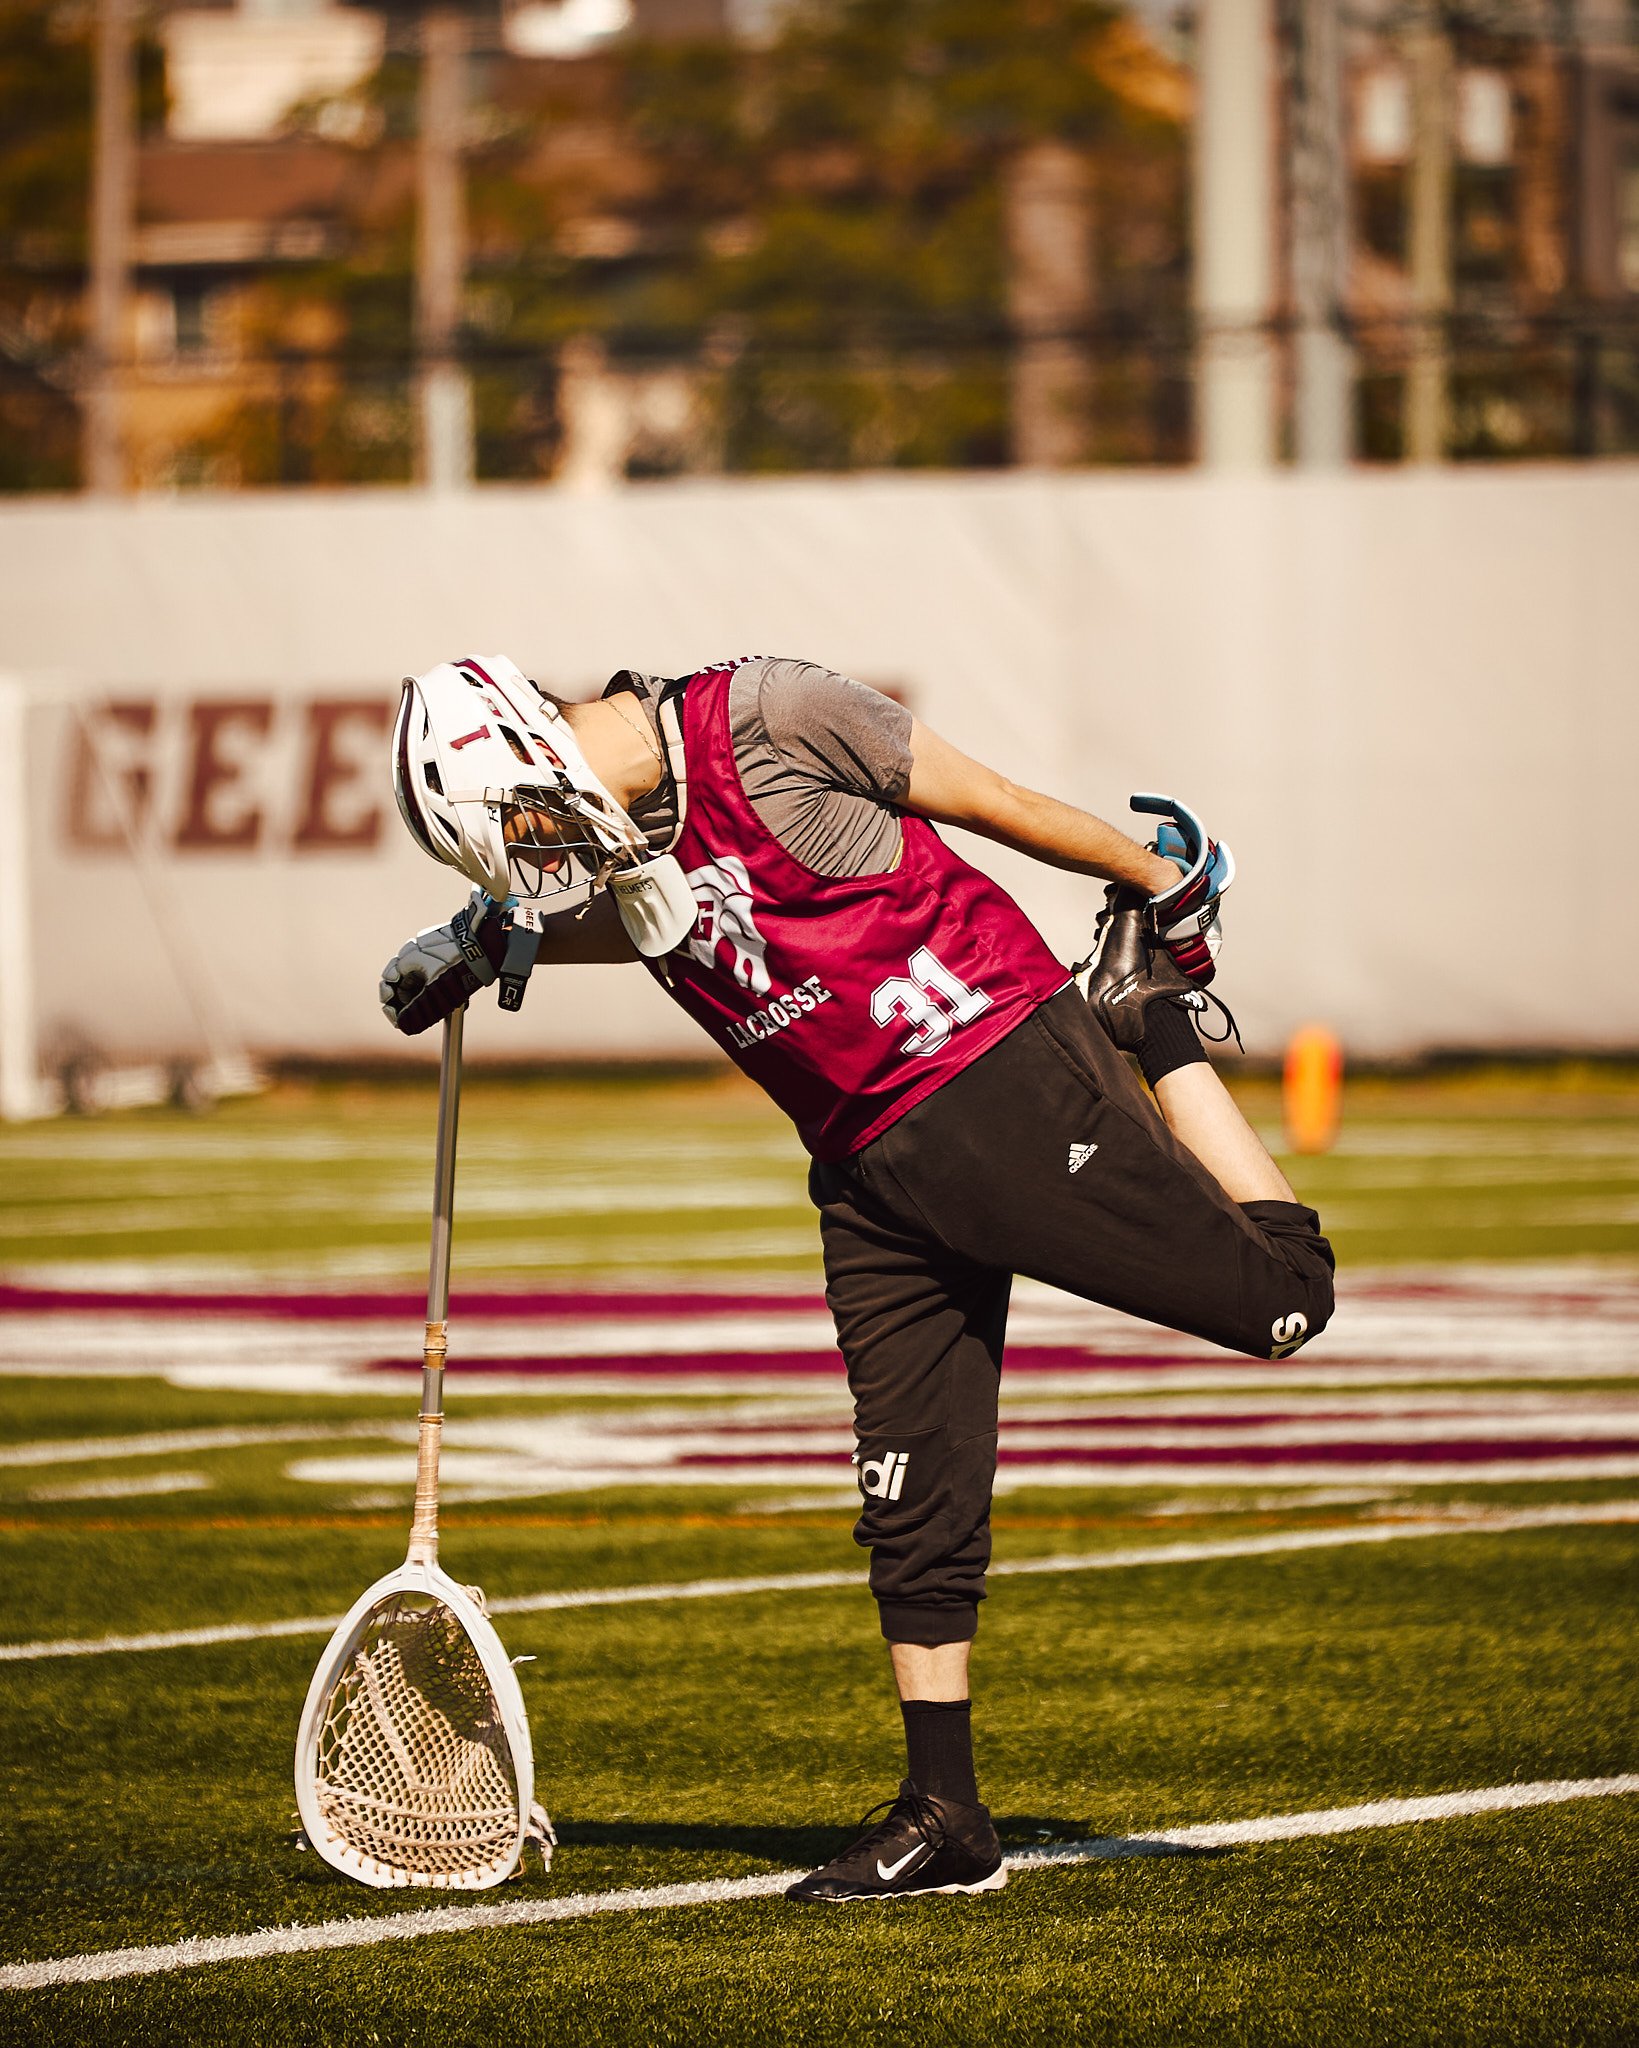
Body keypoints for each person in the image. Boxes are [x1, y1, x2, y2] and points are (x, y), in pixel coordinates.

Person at [381, 652, 1335, 1905]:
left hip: (993, 1071)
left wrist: (1155, 884)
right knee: (909, 1491)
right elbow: (669, 922)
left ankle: (1144, 1012)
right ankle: (944, 1811)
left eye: (518, 818)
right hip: (867, 1161)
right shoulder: (619, 836)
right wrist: (483, 944)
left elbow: (991, 801)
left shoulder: (771, 716)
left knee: (1281, 1300)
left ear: (530, 736)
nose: (536, 850)